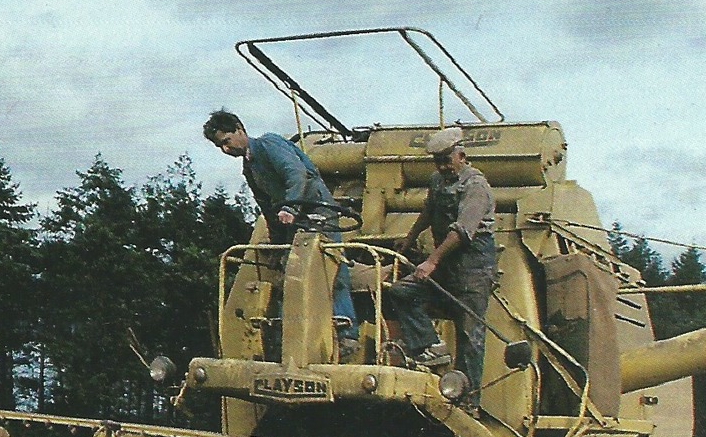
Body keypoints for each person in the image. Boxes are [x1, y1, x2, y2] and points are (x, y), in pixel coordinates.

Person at [202, 110, 357, 361]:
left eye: (226, 141)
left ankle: (348, 334)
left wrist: (290, 207)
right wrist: (278, 244)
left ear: (240, 129)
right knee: (290, 274)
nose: (225, 150)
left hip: (318, 211)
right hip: (294, 221)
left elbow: (296, 174)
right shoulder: (250, 169)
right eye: (220, 146)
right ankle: (290, 339)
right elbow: (267, 208)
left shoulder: (268, 144)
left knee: (333, 269)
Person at [388, 127, 500, 408]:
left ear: (461, 155)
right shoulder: (438, 180)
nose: (442, 167)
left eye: (446, 160)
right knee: (401, 292)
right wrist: (409, 239)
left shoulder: (476, 187)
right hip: (447, 265)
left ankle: (467, 400)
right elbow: (429, 211)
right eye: (437, 161)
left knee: (470, 333)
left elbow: (463, 231)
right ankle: (430, 347)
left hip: (473, 268)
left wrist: (432, 260)